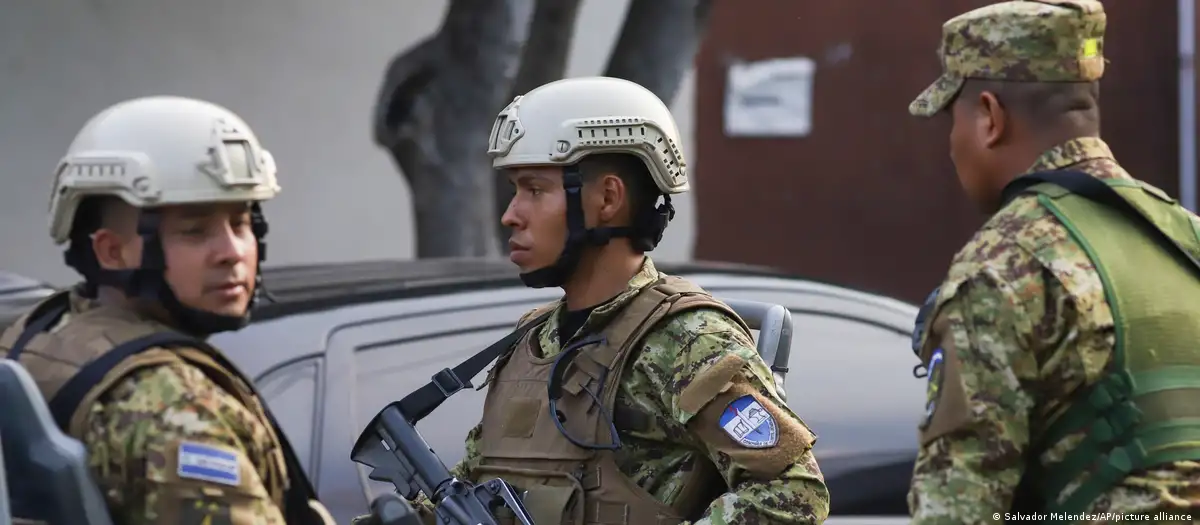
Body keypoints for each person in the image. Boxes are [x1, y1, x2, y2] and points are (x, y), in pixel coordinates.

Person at [398, 76, 829, 525]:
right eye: (515, 190)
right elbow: (478, 483)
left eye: (534, 190)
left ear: (607, 199)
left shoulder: (687, 342)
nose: (511, 214)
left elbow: (793, 495)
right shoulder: (534, 343)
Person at [907, 0, 1200, 523]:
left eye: (952, 120)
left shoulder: (1004, 265)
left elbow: (958, 506)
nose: (951, 145)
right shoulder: (1186, 238)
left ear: (990, 118)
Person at [0, 96, 334, 525]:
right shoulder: (174, 408)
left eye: (241, 223)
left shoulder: (42, 331)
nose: (231, 252)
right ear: (112, 251)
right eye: (194, 231)